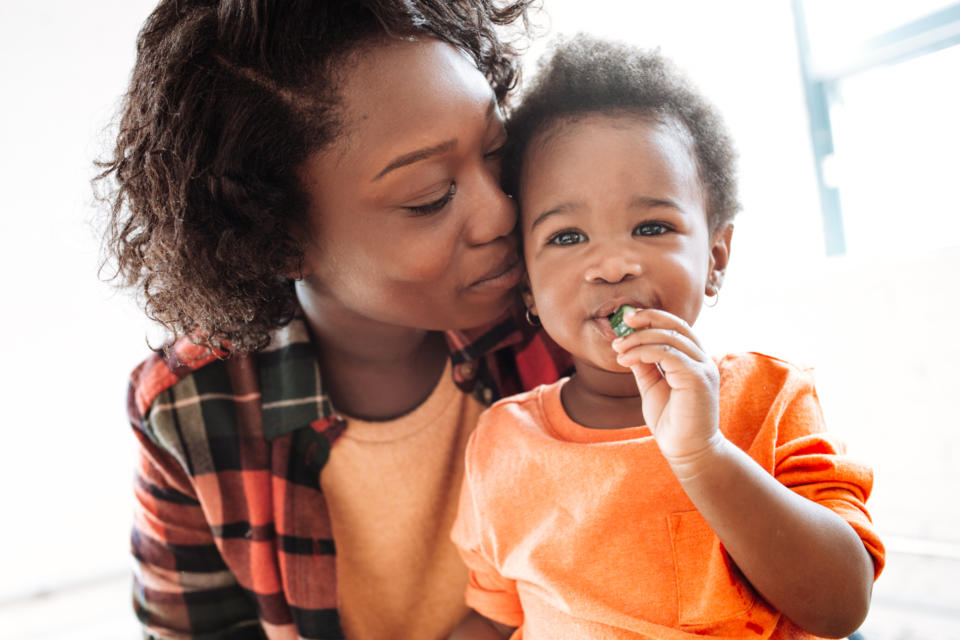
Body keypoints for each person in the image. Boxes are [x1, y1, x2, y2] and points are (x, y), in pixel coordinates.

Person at [96, 1, 573, 638]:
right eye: (429, 198)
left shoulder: (568, 321)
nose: (501, 215)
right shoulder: (190, 407)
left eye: (496, 151)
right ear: (276, 239)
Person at [449, 35, 885, 639]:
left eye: (651, 226)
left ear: (715, 257)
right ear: (526, 284)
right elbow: (494, 619)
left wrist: (703, 455)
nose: (611, 265)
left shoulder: (771, 397)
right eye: (567, 237)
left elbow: (842, 606)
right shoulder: (501, 443)